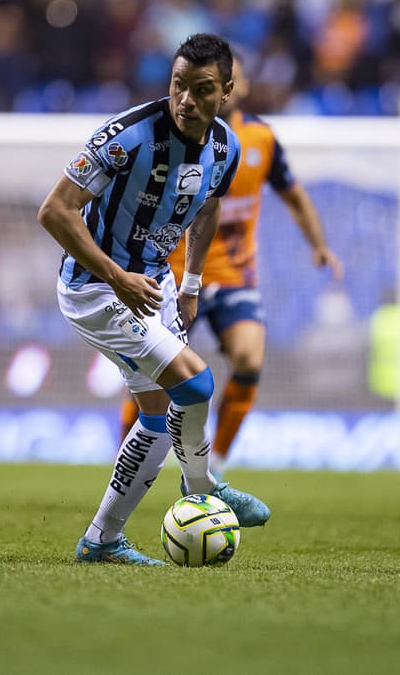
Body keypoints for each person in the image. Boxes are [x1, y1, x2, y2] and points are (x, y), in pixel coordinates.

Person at [38, 33, 270, 566]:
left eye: (202, 89)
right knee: (197, 382)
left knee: (158, 415)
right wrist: (117, 275)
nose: (186, 100)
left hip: (154, 287)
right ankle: (205, 489)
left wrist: (189, 285)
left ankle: (101, 541)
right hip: (96, 288)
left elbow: (209, 204)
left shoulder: (225, 147)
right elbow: (55, 211)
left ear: (227, 91)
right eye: (178, 86)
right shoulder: (127, 136)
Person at [118, 55, 343, 473]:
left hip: (234, 276)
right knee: (151, 375)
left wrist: (319, 244)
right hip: (173, 275)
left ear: (237, 87)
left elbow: (293, 194)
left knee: (249, 360)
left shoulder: (261, 139)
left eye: (230, 80)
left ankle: (216, 464)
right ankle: (128, 460)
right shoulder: (167, 136)